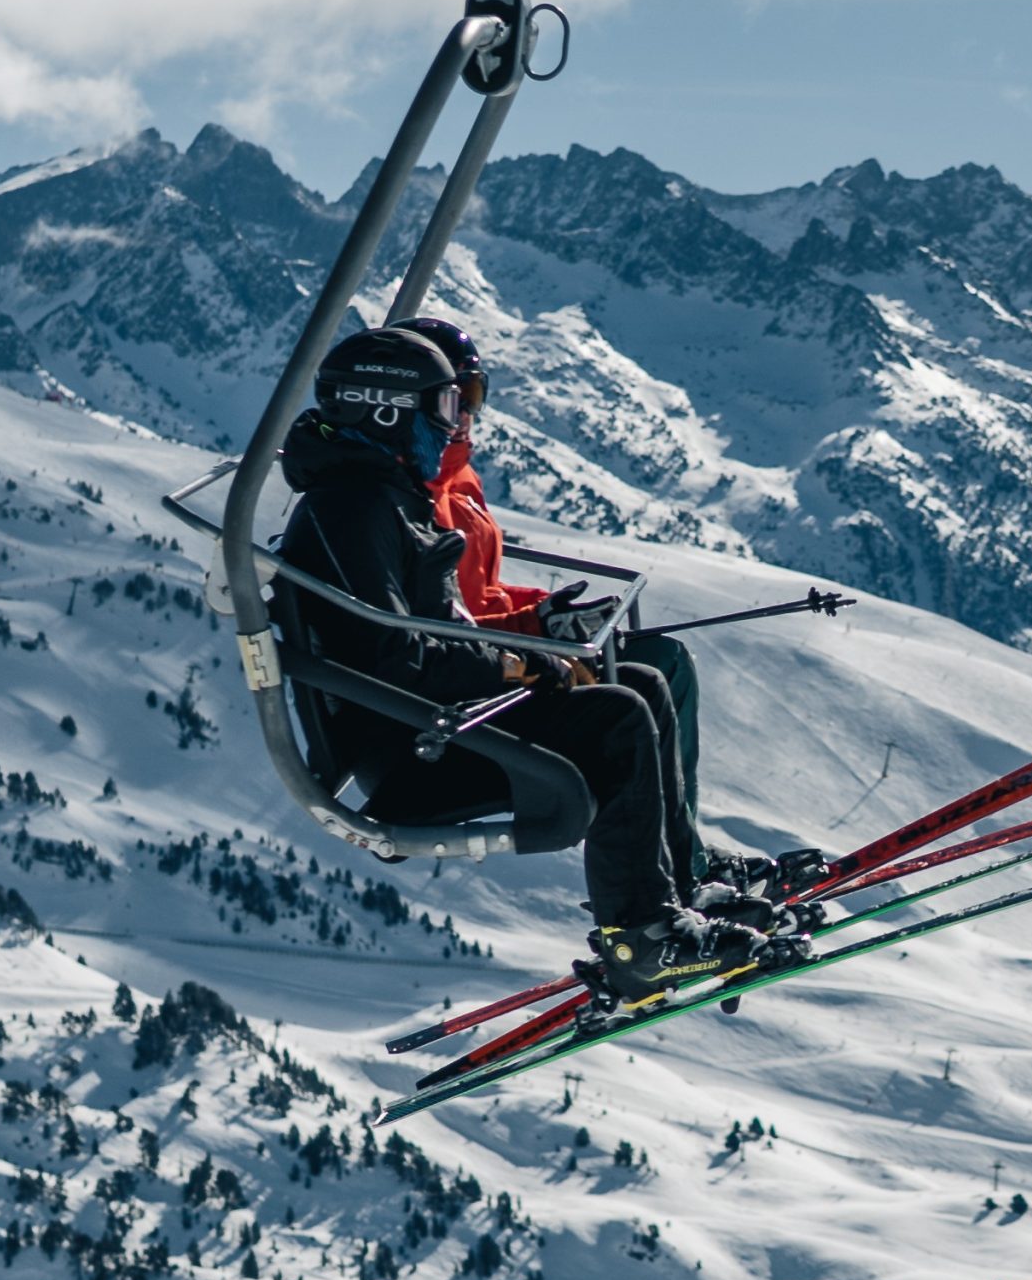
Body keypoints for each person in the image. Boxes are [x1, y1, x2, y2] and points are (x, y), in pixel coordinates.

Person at [275, 326, 784, 996]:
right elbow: (392, 653)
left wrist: (524, 651)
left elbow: (435, 630)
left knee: (641, 681)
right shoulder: (352, 508)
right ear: (387, 408)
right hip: (416, 750)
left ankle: (669, 900)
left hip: (439, 722)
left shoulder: (385, 495)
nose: (454, 428)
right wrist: (514, 665)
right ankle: (641, 937)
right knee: (618, 715)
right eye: (445, 409)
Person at [391, 315, 719, 877]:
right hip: (485, 687)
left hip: (507, 652)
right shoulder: (416, 495)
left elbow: (482, 591)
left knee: (665, 663)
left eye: (474, 396)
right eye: (454, 399)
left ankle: (683, 852)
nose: (466, 415)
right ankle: (678, 873)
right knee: (652, 674)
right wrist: (538, 627)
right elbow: (453, 622)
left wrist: (546, 611)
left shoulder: (456, 479)